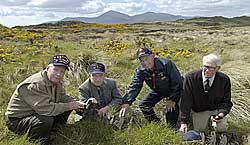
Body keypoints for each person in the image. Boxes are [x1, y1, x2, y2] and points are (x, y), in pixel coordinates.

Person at [5, 54, 85, 145]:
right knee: (46, 120)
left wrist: (75, 103)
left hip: (36, 112)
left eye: (62, 71)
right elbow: (46, 110)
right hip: (17, 120)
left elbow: (62, 96)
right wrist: (69, 106)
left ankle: (54, 130)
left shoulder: (56, 81)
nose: (59, 74)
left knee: (66, 106)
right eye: (55, 69)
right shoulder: (35, 84)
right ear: (47, 68)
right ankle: (38, 141)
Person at [121, 47, 183, 128]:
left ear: (153, 56)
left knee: (171, 109)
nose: (145, 63)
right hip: (158, 90)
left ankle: (172, 129)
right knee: (144, 105)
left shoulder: (166, 64)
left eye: (146, 59)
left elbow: (177, 82)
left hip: (174, 90)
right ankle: (158, 126)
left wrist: (172, 99)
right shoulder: (141, 70)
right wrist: (127, 102)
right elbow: (135, 85)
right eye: (142, 60)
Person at [179, 53, 233, 133]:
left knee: (221, 129)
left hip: (216, 110)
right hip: (199, 110)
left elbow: (226, 101)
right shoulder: (191, 77)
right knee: (200, 130)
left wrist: (221, 114)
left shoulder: (224, 80)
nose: (205, 70)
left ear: (217, 68)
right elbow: (186, 100)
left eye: (209, 67)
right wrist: (183, 122)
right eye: (204, 66)